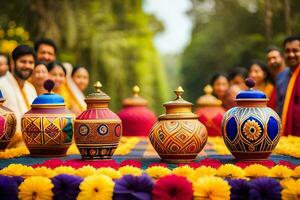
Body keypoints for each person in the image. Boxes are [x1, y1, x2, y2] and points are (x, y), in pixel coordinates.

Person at [0, 45, 37, 147]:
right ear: (12, 63)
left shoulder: (31, 88)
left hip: (30, 147)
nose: (27, 66)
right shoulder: (1, 85)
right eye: (23, 61)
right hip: (6, 149)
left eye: (31, 62)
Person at [281, 36, 300, 136]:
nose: (291, 54)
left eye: (295, 51)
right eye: (287, 51)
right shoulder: (282, 77)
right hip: (289, 134)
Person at [266, 47, 289, 115]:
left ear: (282, 57)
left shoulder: (290, 74)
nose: (272, 61)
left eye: (274, 58)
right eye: (269, 59)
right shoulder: (272, 80)